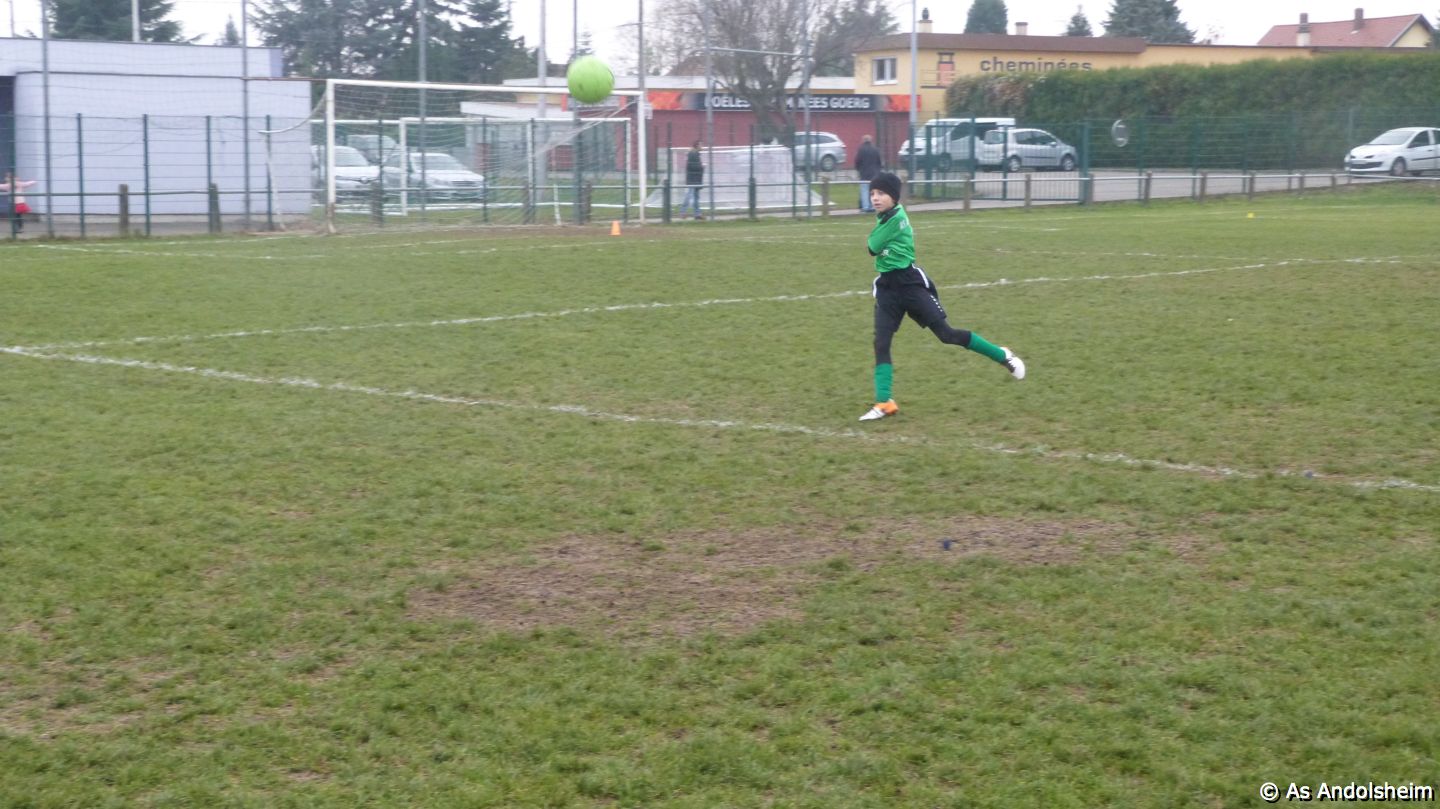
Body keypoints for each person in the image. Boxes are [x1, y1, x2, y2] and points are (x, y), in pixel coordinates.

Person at [858, 172, 1025, 422]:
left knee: (947, 335)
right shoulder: (885, 218)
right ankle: (885, 402)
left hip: (910, 285)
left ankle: (1002, 355)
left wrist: (877, 243)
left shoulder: (896, 218)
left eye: (881, 193)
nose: (875, 198)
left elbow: (872, 246)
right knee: (881, 342)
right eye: (872, 193)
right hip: (888, 289)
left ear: (894, 196)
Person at [853, 134, 883, 212]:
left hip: (864, 173)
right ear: (871, 140)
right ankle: (872, 206)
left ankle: (865, 207)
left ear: (863, 140)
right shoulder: (875, 149)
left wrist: (858, 169)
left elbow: (857, 161)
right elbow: (879, 162)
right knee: (873, 191)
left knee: (864, 190)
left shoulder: (861, 149)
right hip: (874, 174)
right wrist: (878, 170)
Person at [677, 141, 704, 220]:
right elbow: (691, 166)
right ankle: (683, 212)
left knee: (696, 197)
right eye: (701, 145)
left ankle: (697, 214)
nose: (702, 146)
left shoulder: (695, 154)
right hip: (692, 179)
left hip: (696, 178)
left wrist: (700, 167)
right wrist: (701, 167)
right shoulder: (693, 154)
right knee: (689, 195)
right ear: (697, 146)